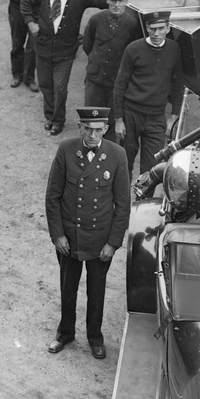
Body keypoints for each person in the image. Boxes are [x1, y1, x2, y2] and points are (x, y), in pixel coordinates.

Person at [45, 107, 131, 359]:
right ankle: (65, 333)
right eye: (88, 129)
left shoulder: (117, 155)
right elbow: (53, 197)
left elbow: (123, 204)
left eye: (98, 130)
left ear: (106, 129)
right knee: (67, 286)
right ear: (80, 128)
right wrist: (57, 235)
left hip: (99, 239)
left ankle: (95, 337)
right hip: (69, 238)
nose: (93, 135)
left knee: (97, 290)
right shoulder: (66, 150)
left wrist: (113, 243)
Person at [20, 0, 109, 136]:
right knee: (46, 85)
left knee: (60, 88)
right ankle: (49, 116)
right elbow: (25, 2)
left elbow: (99, 0)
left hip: (65, 52)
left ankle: (58, 121)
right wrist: (31, 23)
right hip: (43, 49)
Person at [114, 10, 185, 179]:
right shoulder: (133, 49)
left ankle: (143, 204)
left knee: (152, 168)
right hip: (131, 114)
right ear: (146, 28)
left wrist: (174, 117)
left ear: (168, 28)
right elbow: (119, 85)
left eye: (161, 28)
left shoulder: (174, 50)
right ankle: (122, 201)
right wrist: (118, 120)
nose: (156, 33)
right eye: (152, 29)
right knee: (125, 161)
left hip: (156, 118)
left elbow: (178, 85)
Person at [82, 0, 142, 142]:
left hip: (116, 82)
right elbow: (87, 45)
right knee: (91, 116)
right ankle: (89, 147)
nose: (117, 5)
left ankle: (104, 152)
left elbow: (134, 52)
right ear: (107, 0)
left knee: (111, 120)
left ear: (126, 1)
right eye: (113, 1)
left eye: (121, 1)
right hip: (95, 78)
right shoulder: (96, 20)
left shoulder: (132, 23)